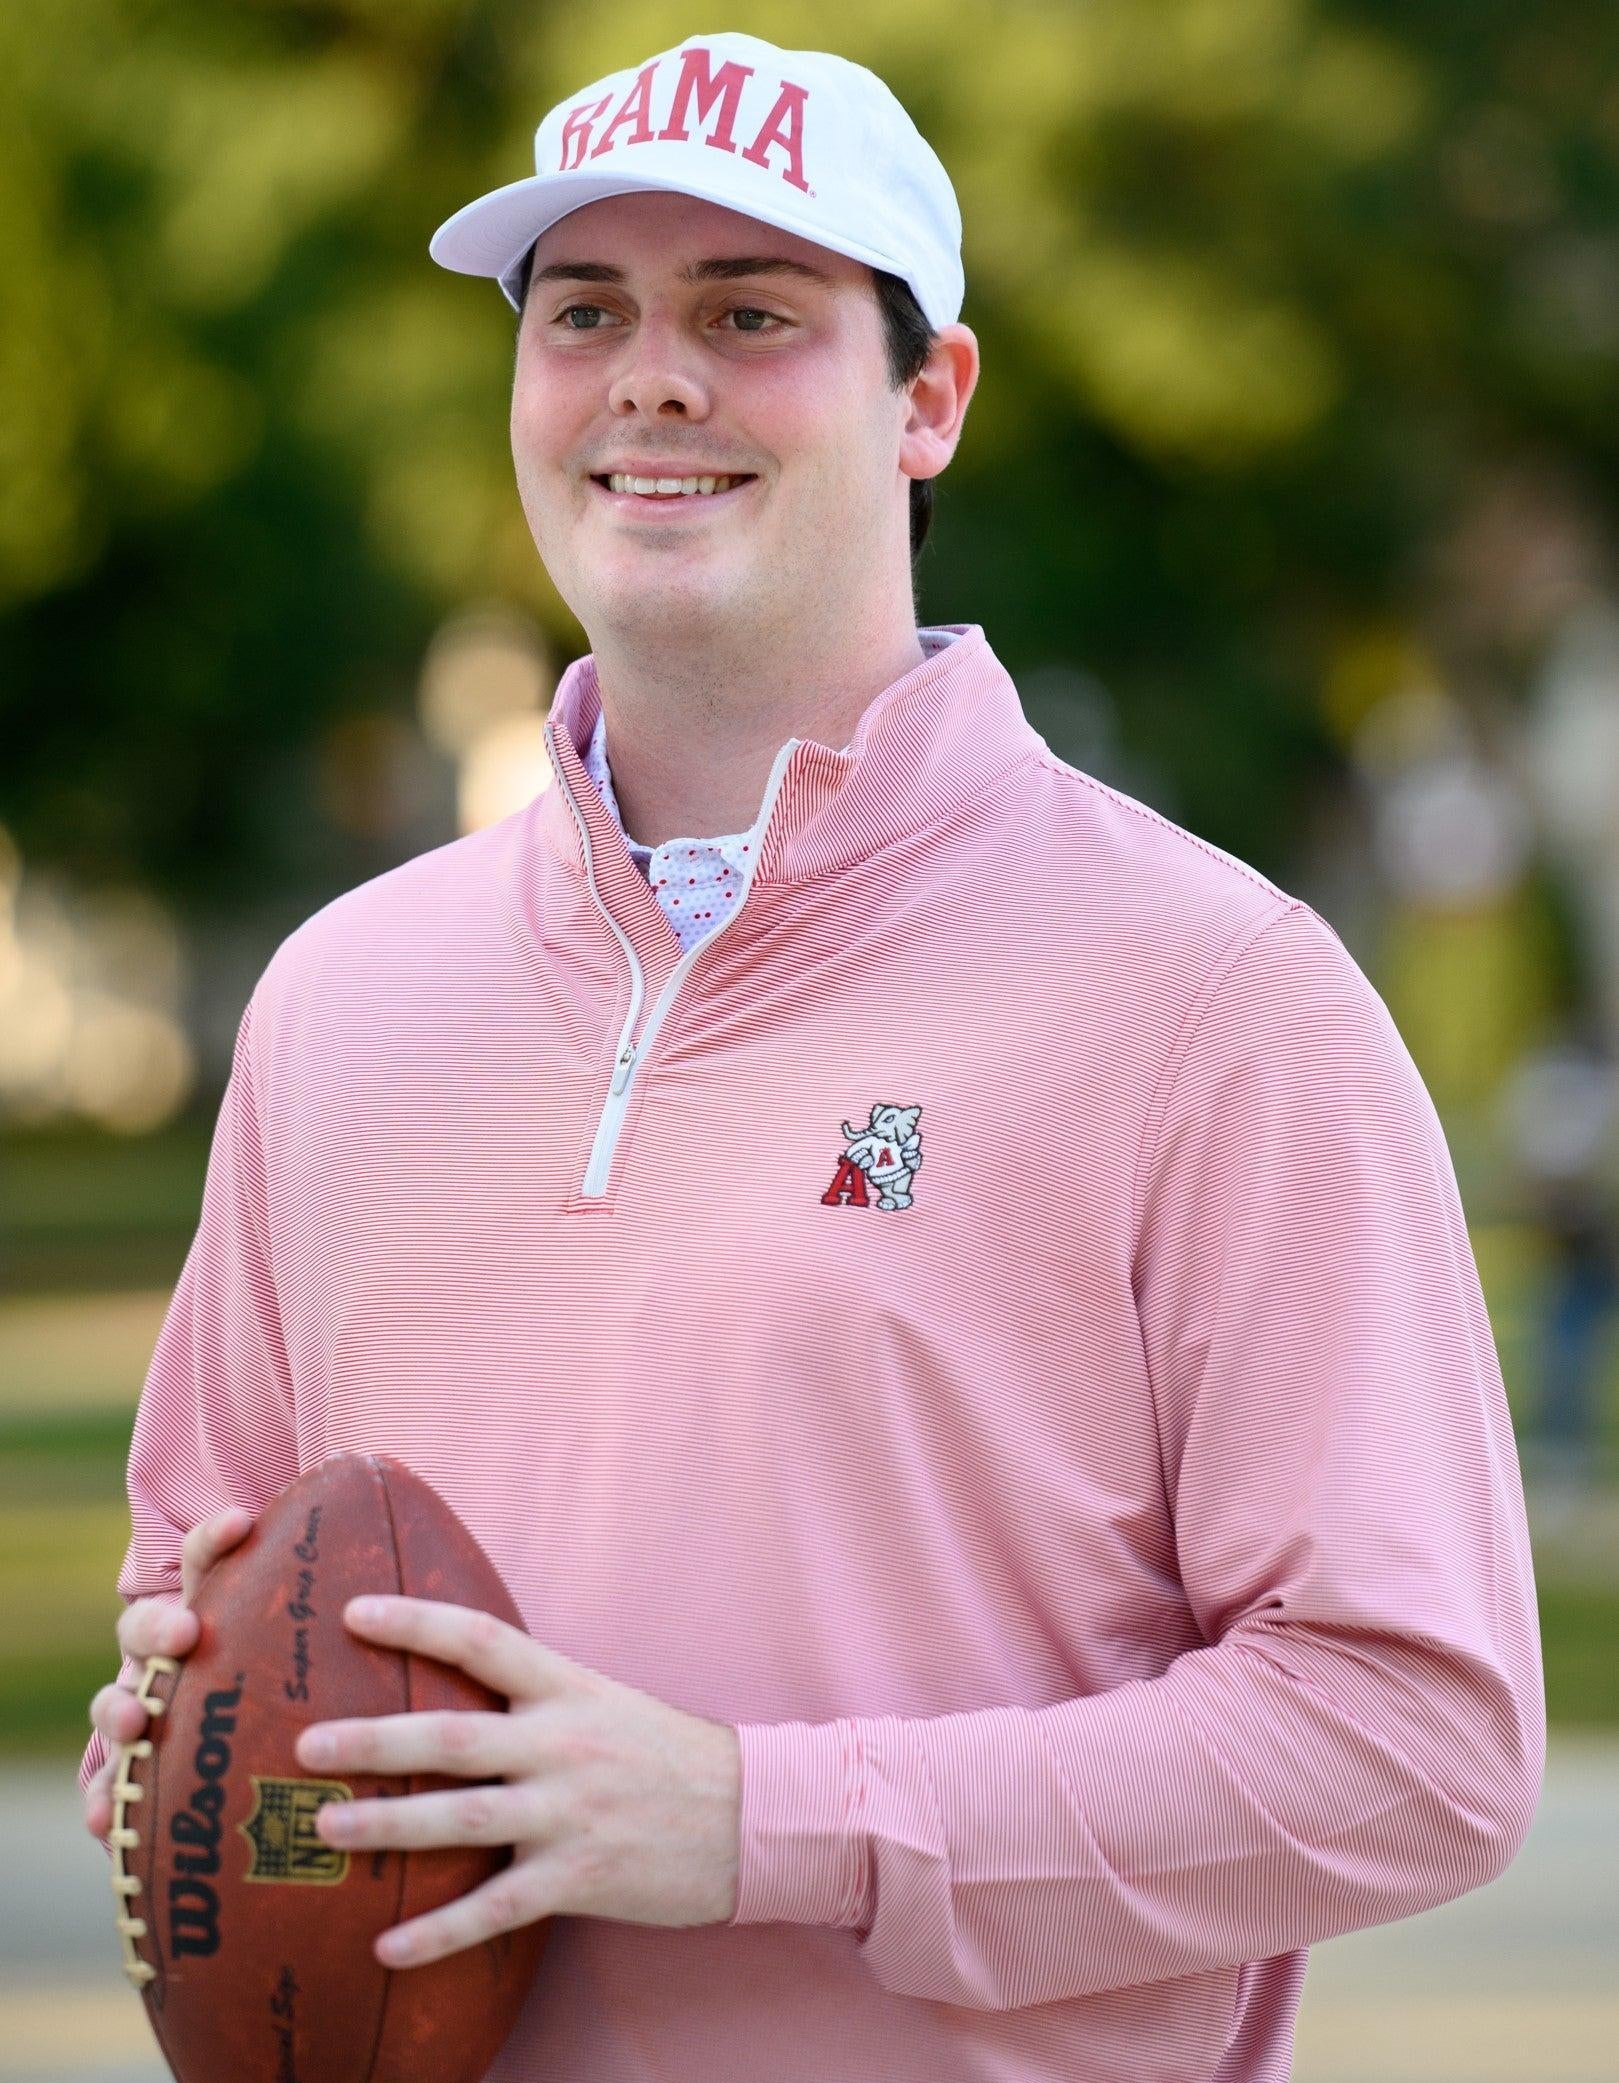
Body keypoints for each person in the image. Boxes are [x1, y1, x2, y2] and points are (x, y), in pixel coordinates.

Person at [80, 31, 1545, 2083]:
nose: (651, 378)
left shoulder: (1217, 991)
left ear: (928, 397)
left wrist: (764, 1821)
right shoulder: (338, 998)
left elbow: (1418, 1744)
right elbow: (196, 1611)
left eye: (748, 315)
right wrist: (176, 1736)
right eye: (583, 312)